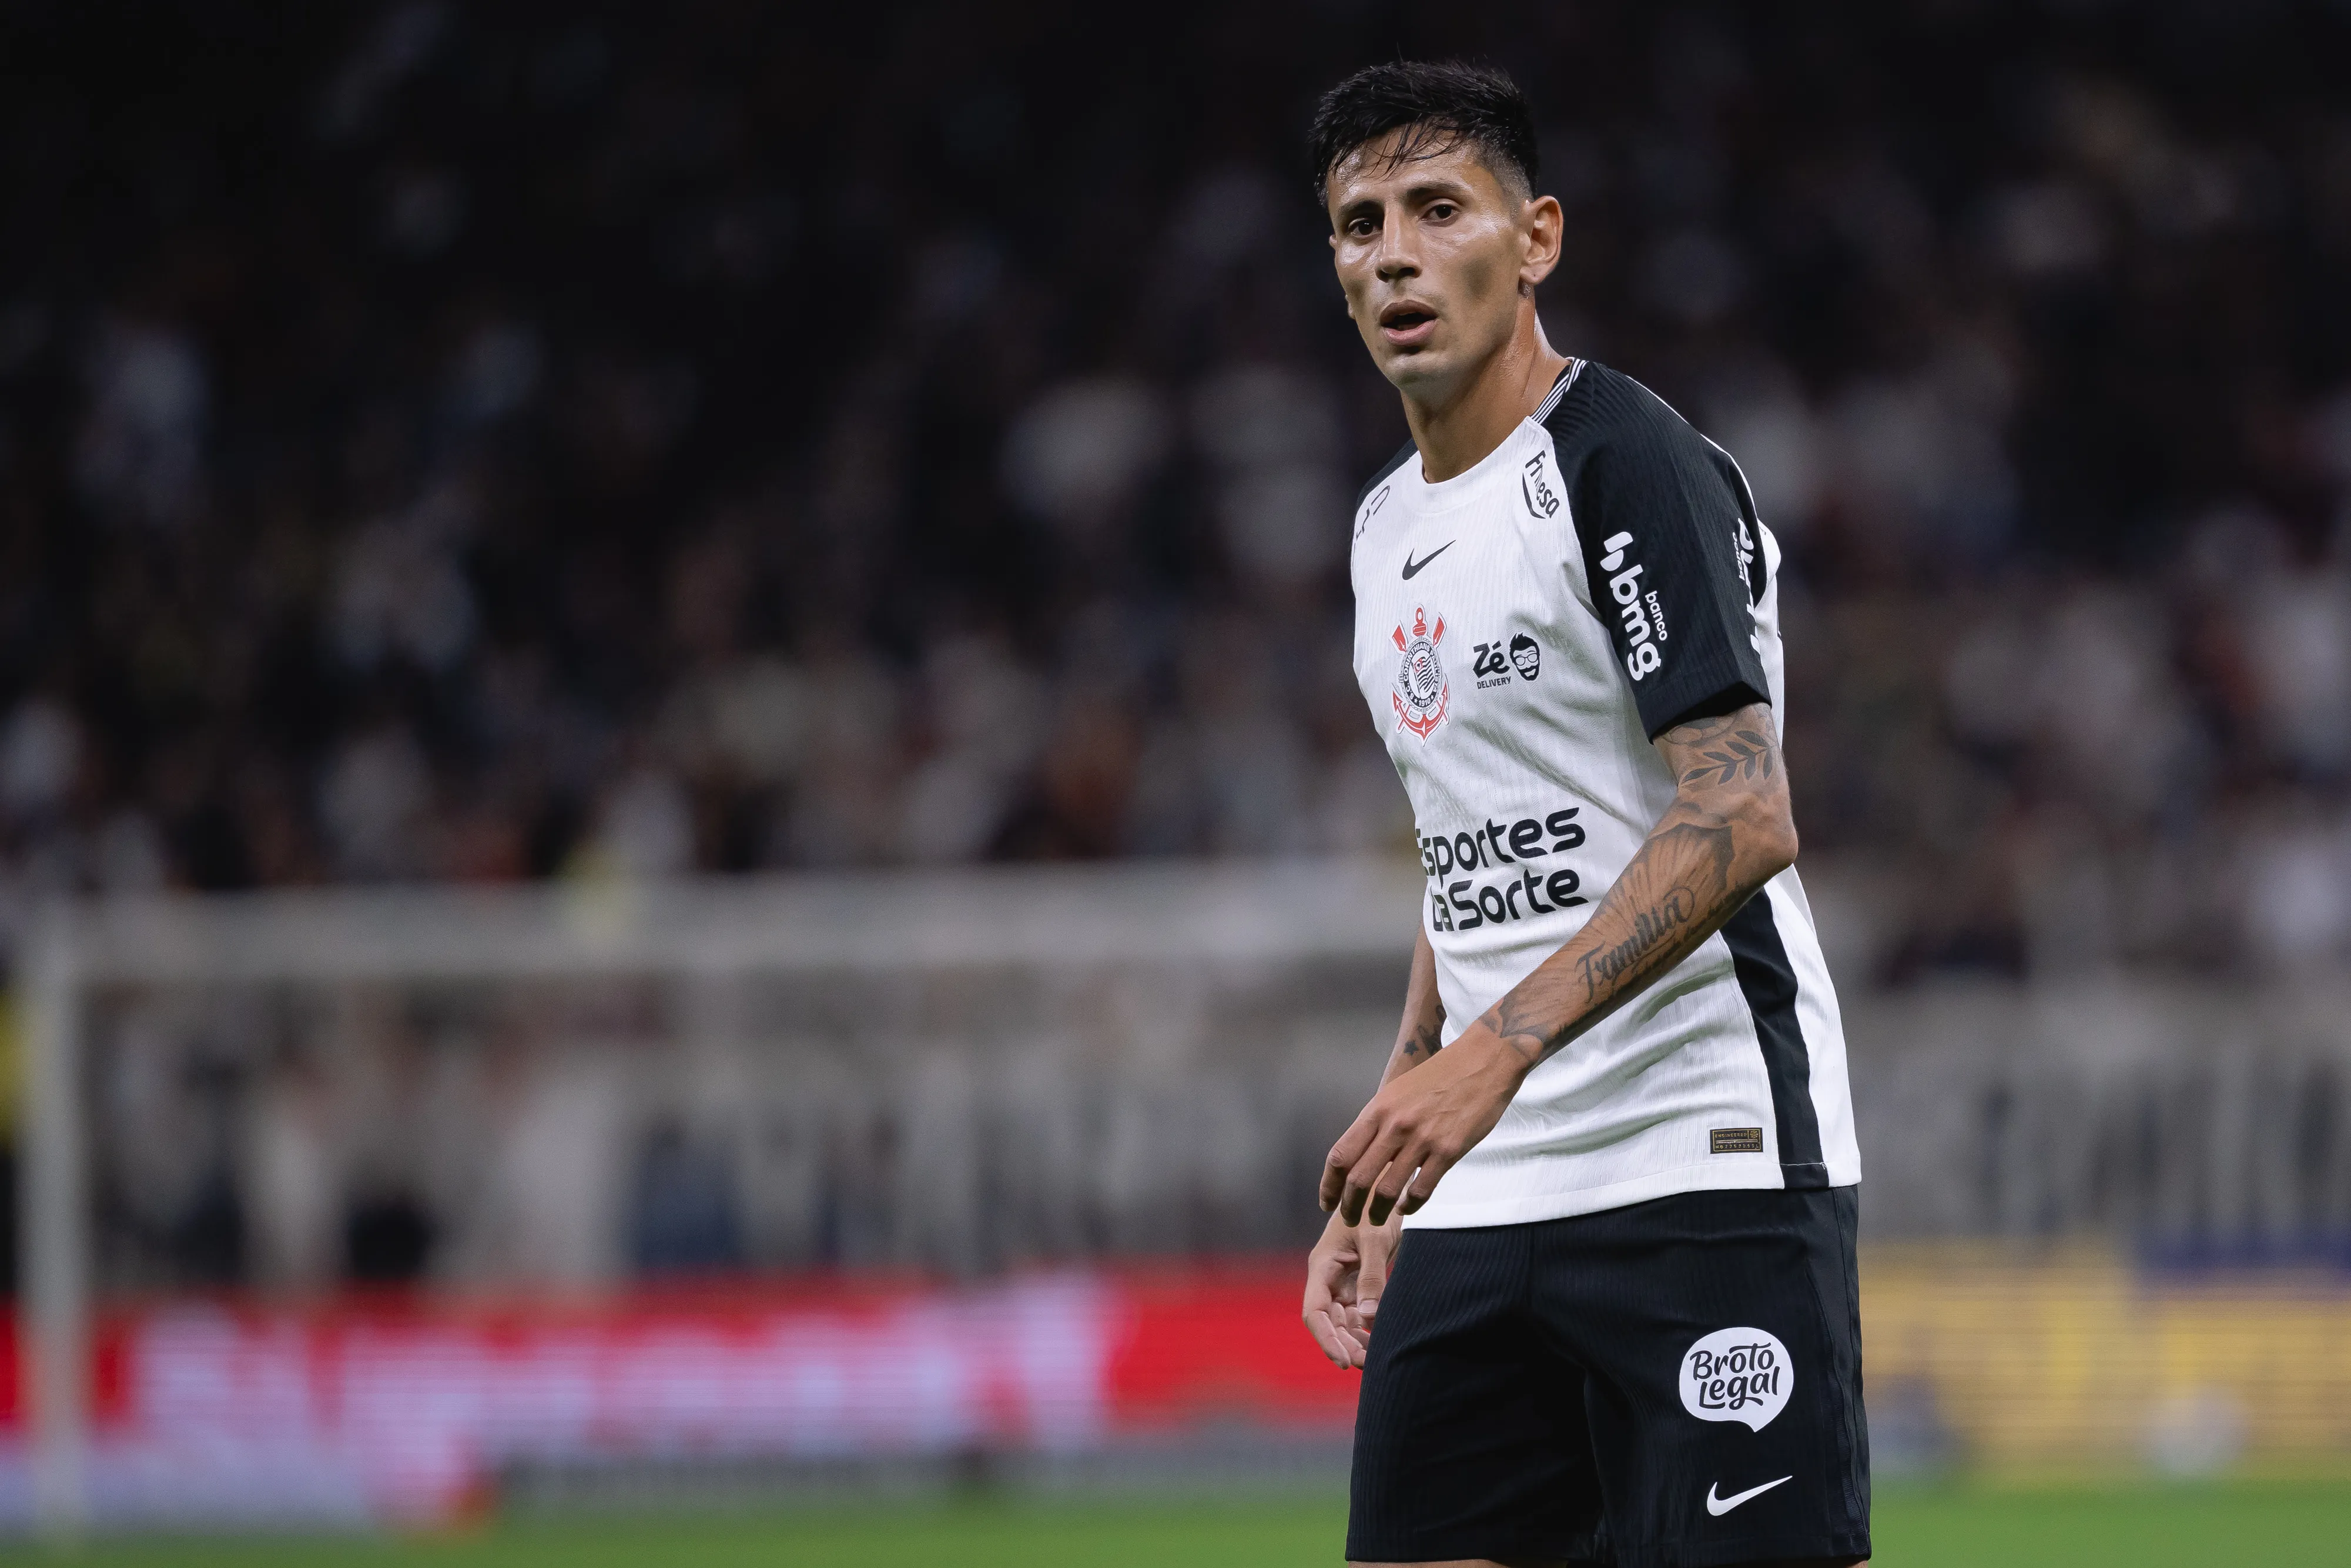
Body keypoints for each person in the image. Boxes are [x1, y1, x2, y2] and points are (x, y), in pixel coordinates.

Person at [1298, 61, 1867, 1568]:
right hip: (1489, 1183)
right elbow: (1463, 839)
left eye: (1438, 210)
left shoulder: (1623, 460)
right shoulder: (1380, 530)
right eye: (1359, 225)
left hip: (1701, 1157)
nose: (1394, 255)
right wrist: (1395, 1125)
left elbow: (1740, 813)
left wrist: (1487, 1055)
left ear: (1535, 238)